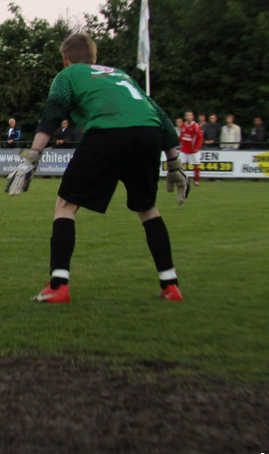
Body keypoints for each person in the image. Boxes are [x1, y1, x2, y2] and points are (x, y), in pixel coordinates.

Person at [11, 32, 185, 303]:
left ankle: (58, 286)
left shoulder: (68, 75)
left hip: (107, 132)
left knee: (66, 204)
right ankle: (170, 285)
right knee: (148, 209)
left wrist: (32, 157)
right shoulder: (120, 75)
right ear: (95, 58)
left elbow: (52, 115)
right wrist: (174, 163)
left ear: (66, 59)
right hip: (148, 134)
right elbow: (161, 117)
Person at [178, 111, 204, 184]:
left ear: (193, 117)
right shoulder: (183, 125)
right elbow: (182, 135)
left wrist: (197, 147)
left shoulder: (196, 126)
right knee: (181, 164)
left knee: (196, 165)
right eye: (187, 115)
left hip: (193, 149)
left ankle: (196, 180)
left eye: (189, 115)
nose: (188, 117)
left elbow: (200, 137)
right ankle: (183, 180)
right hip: (184, 149)